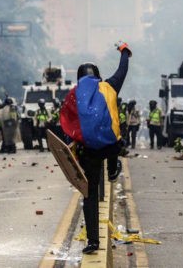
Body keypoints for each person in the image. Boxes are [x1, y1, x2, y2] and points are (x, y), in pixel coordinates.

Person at [60, 41, 131, 254]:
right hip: (109, 147)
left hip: (87, 151)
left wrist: (71, 147)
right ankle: (112, 167)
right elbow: (122, 70)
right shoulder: (109, 86)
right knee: (117, 141)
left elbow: (65, 122)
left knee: (89, 196)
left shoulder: (73, 93)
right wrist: (124, 51)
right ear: (98, 74)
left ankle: (93, 241)